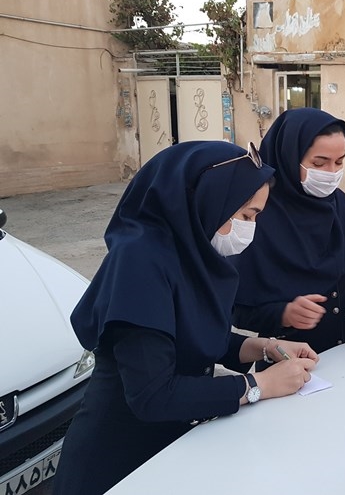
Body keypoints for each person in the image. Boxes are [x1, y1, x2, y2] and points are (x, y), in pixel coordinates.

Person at [52, 140, 318, 495]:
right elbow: (153, 395)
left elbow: (193, 336)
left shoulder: (190, 253)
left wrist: (265, 347)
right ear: (208, 201)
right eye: (245, 216)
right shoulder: (140, 264)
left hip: (170, 447)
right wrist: (258, 386)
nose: (250, 228)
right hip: (117, 463)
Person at [233, 108, 345, 362]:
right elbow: (235, 308)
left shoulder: (341, 206)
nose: (331, 172)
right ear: (288, 156)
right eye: (319, 163)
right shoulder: (257, 215)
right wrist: (283, 315)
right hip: (286, 364)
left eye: (339, 162)